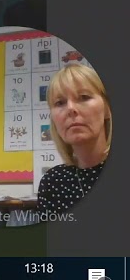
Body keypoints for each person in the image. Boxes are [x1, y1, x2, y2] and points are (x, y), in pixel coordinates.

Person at [36, 62, 111, 217]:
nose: (70, 108)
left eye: (84, 97)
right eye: (60, 103)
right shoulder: (53, 182)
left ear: (107, 109)